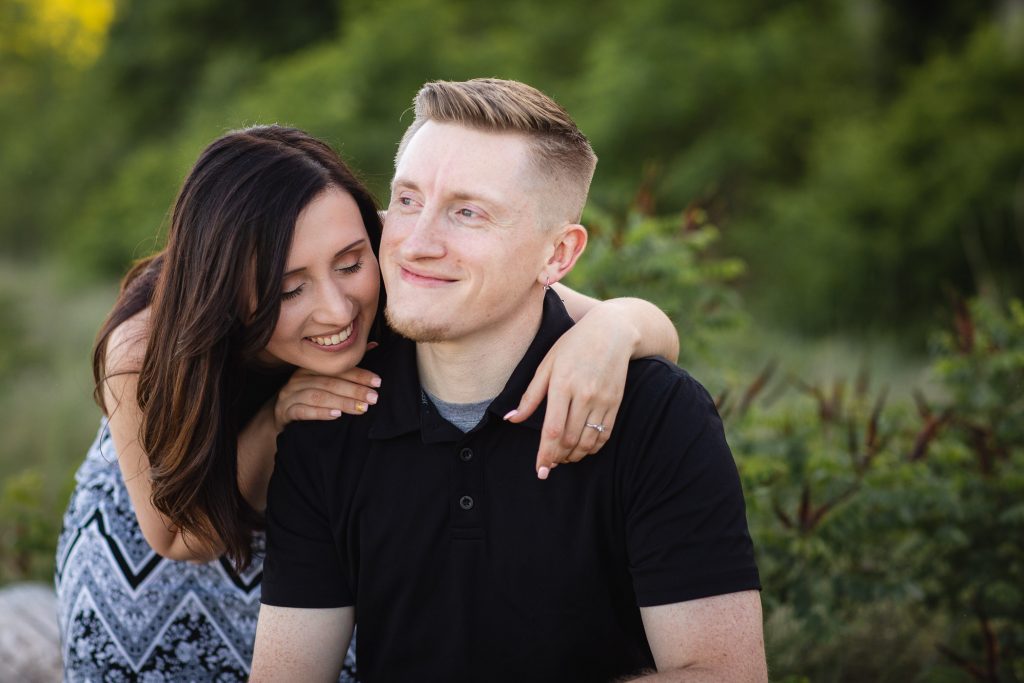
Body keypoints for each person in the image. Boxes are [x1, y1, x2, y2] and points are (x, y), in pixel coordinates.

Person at [54, 125, 682, 681]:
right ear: (223, 289)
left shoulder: (394, 254)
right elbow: (177, 537)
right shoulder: (143, 349)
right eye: (288, 289)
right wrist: (278, 420)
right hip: (165, 561)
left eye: (350, 264)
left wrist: (611, 333)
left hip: (315, 544)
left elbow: (647, 331)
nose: (336, 309)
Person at [251, 79, 767, 682]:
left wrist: (619, 326)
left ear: (558, 256)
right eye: (409, 200)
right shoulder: (330, 416)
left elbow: (726, 676)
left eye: (468, 213)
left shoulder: (654, 414)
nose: (417, 245)